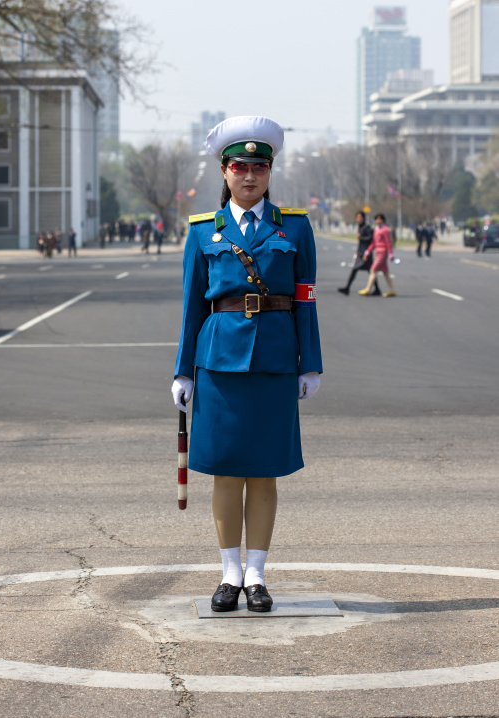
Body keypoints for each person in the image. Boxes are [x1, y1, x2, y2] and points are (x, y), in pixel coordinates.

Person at [171, 116, 323, 613]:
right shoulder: (202, 233)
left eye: (260, 166)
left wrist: (310, 363)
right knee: (226, 472)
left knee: (264, 473)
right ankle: (229, 574)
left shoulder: (295, 227)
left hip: (277, 361)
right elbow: (193, 306)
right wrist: (183, 370)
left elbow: (305, 300)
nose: (250, 175)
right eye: (240, 166)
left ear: (270, 171)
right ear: (224, 170)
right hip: (218, 364)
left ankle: (256, 575)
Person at [338, 211, 381, 296]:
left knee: (359, 270)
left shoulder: (367, 227)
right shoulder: (360, 227)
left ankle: (347, 288)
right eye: (357, 217)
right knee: (368, 271)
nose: (358, 219)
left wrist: (361, 237)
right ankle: (377, 289)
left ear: (363, 218)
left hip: (365, 253)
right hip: (361, 253)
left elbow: (371, 238)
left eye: (359, 217)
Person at [358, 213, 396, 297]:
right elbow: (374, 242)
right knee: (385, 272)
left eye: (379, 219)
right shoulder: (376, 229)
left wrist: (391, 254)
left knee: (373, 270)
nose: (377, 221)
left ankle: (368, 289)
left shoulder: (385, 230)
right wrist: (367, 252)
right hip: (377, 252)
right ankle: (392, 289)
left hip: (383, 252)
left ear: (383, 220)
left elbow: (388, 242)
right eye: (376, 219)